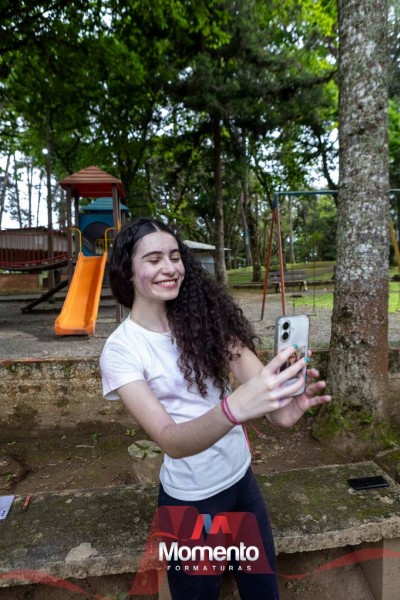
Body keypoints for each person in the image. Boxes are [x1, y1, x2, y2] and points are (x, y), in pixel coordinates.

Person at [100, 217, 331, 600]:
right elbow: (171, 441)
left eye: (175, 256)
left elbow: (258, 386)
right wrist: (234, 407)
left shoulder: (203, 318)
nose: (169, 267)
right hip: (190, 504)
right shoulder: (121, 350)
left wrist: (284, 409)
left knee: (264, 593)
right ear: (128, 270)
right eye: (153, 259)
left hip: (242, 485)